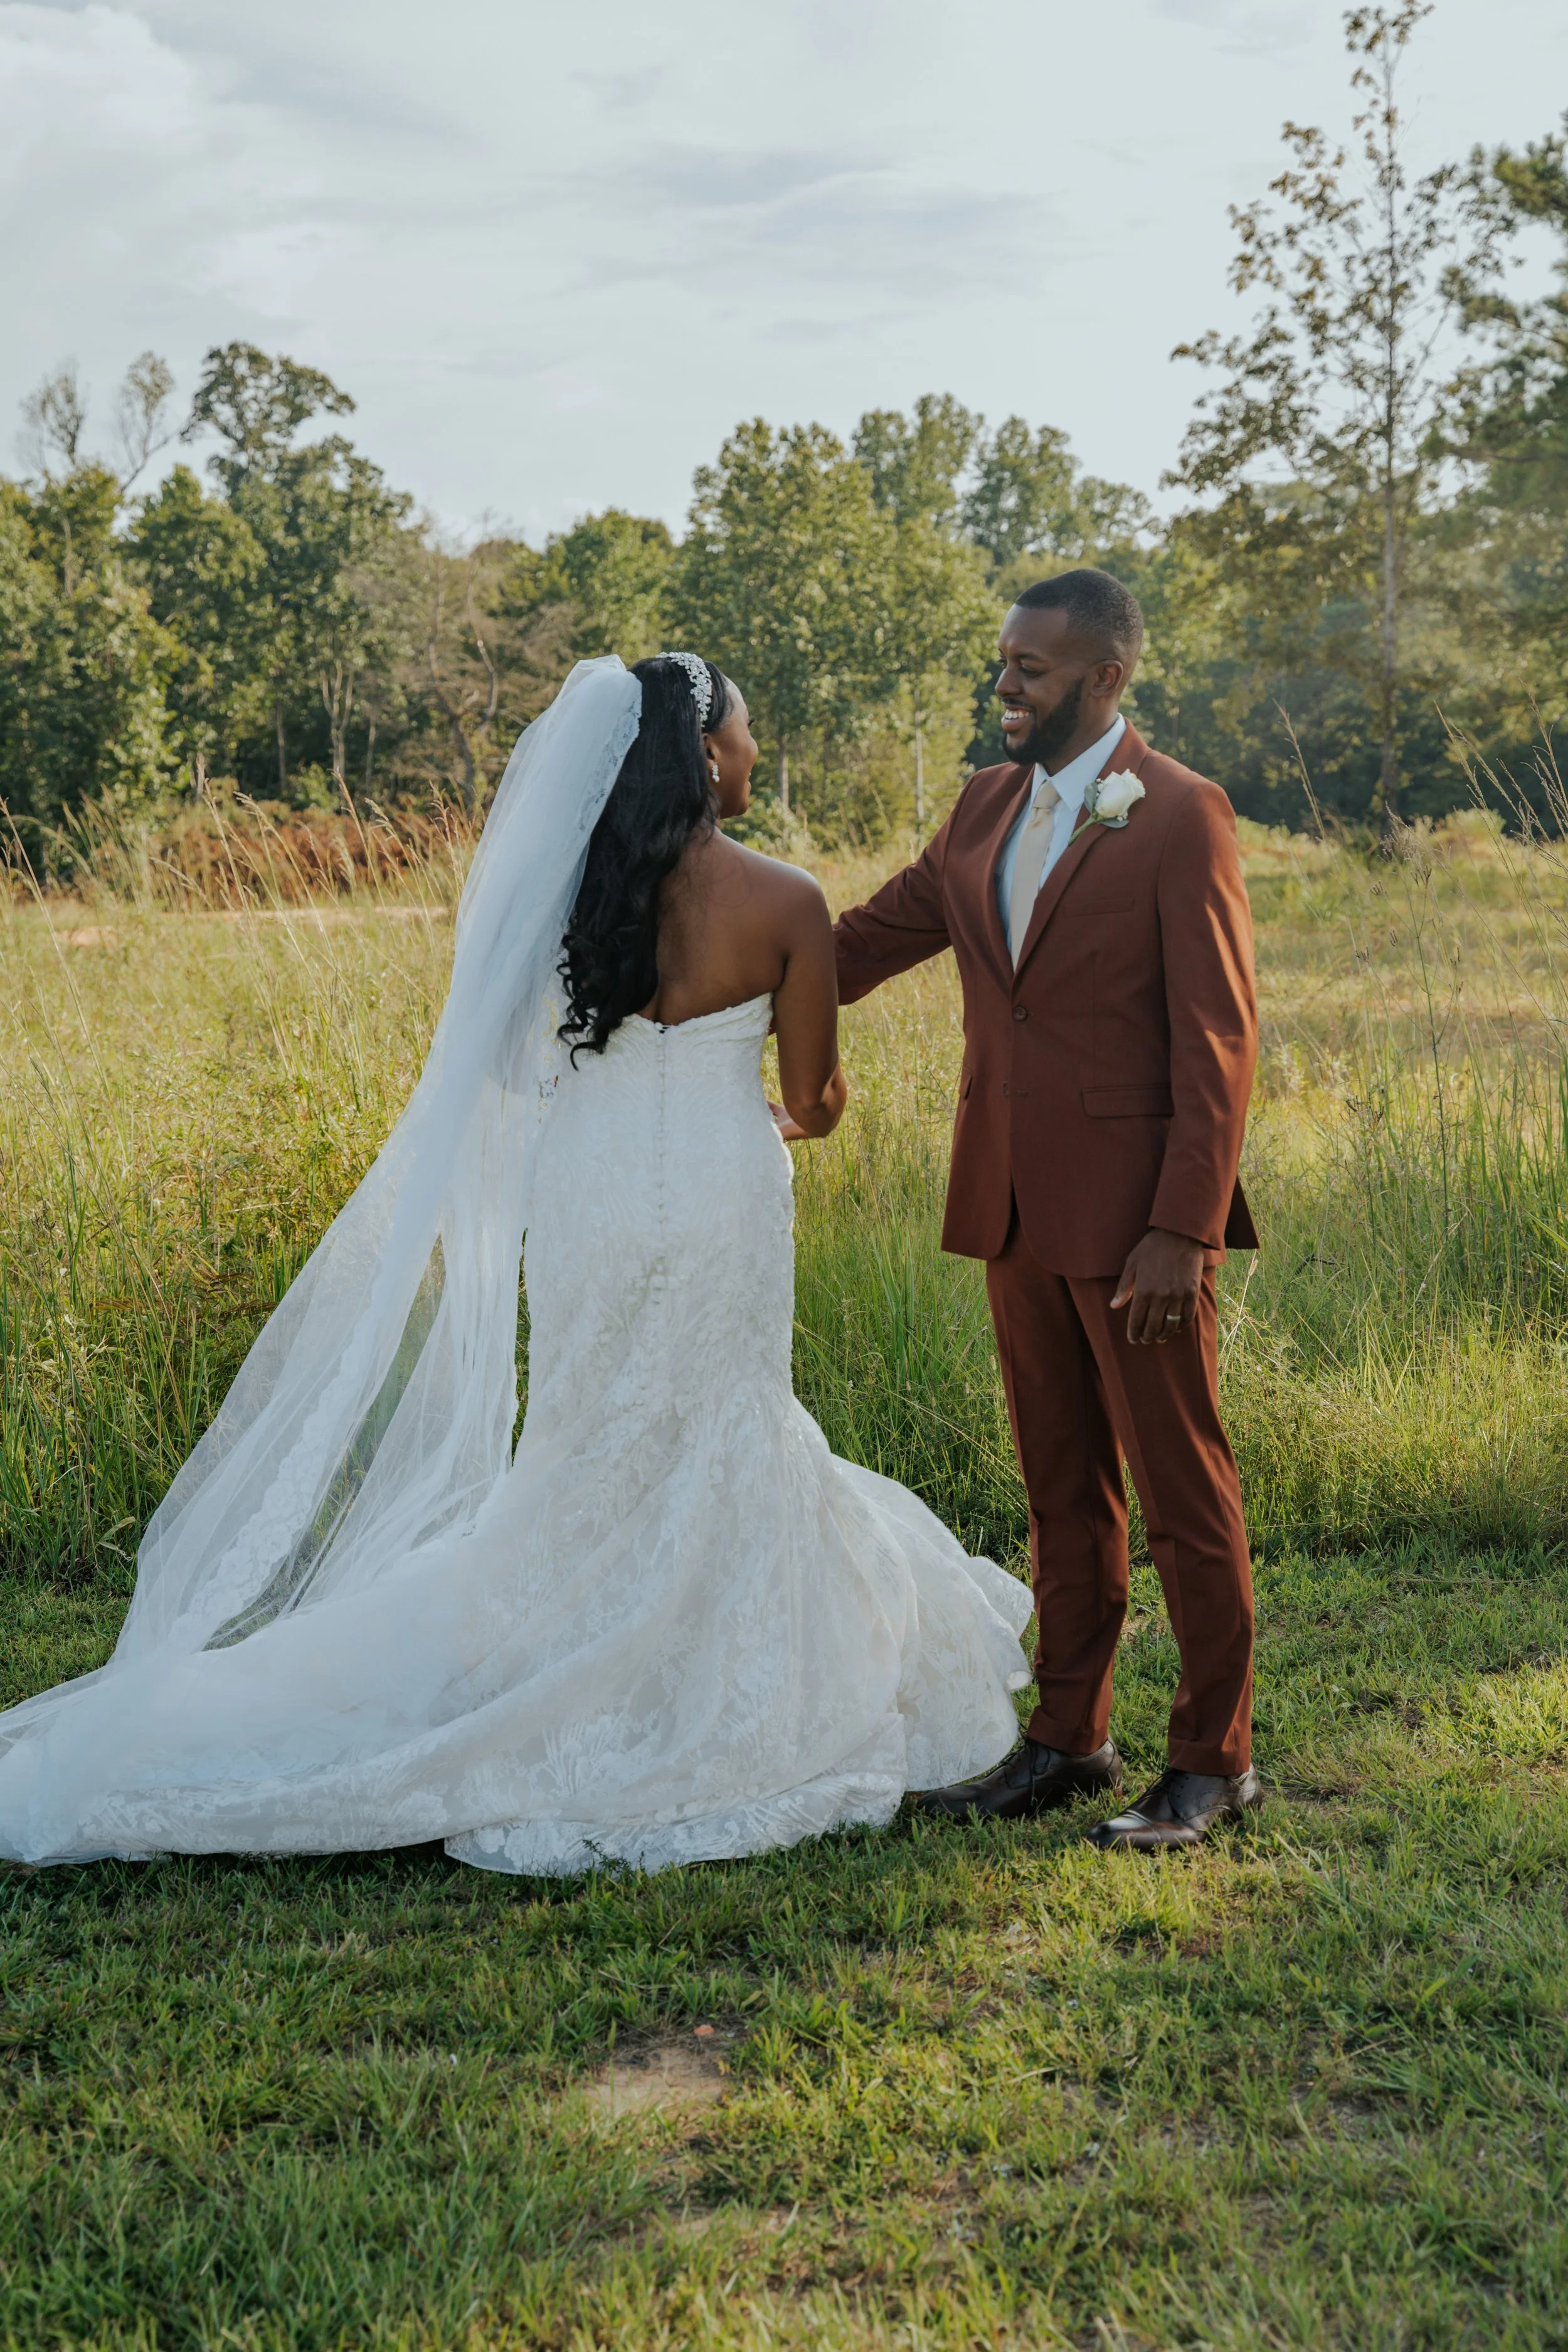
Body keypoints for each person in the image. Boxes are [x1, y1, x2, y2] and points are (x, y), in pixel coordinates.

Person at [0, 654, 1030, 1876]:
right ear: (707, 756)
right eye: (748, 734)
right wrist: (790, 1102)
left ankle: (567, 1637)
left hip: (585, 1189)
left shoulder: (563, 901)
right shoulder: (786, 900)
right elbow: (812, 1097)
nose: (756, 754)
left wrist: (591, 1094)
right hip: (719, 1189)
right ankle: (686, 1663)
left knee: (590, 1422)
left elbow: (485, 1068)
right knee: (718, 1409)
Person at [834, 572, 1261, 1853]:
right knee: (1057, 1489)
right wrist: (698, 929)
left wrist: (1181, 1230)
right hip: (1009, 1208)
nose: (1004, 684)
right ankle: (1068, 1739)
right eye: (1002, 662)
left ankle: (1211, 1763)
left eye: (1029, 666)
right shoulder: (980, 806)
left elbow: (1217, 1039)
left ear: (1104, 678)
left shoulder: (1178, 815)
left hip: (1137, 1229)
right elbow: (859, 941)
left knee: (1182, 1492)